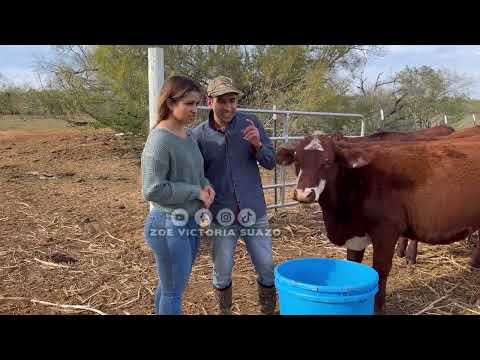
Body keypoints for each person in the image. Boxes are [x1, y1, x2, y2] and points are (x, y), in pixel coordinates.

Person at [192, 76, 277, 315]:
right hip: (222, 215)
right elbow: (197, 176)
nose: (229, 107)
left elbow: (270, 162)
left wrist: (258, 145)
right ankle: (224, 311)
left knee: (266, 266)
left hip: (253, 210)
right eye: (223, 101)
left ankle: (268, 310)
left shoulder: (251, 124)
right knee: (222, 270)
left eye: (233, 101)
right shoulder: (198, 136)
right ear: (210, 102)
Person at [141, 75, 215, 315]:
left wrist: (206, 185)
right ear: (170, 104)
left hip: (189, 221)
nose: (196, 109)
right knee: (173, 292)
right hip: (167, 223)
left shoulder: (188, 134)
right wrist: (195, 191)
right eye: (189, 104)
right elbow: (152, 189)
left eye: (197, 103)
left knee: (170, 286)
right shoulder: (159, 141)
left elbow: (196, 171)